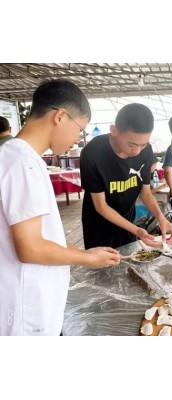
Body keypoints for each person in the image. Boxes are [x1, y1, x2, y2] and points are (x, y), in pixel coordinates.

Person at [0, 79, 121, 336]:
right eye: (80, 129)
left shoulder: (22, 158)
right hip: (27, 312)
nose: (78, 138)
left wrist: (83, 251)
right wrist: (88, 259)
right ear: (60, 116)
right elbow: (30, 248)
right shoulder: (22, 162)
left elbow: (42, 236)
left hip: (33, 304)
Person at [80, 103, 172, 250]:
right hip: (99, 226)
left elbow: (145, 192)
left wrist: (161, 218)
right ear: (114, 130)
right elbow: (101, 206)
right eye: (131, 145)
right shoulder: (93, 152)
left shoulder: (146, 151)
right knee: (104, 263)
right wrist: (137, 230)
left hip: (128, 221)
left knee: (130, 259)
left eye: (143, 144)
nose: (137, 151)